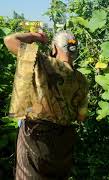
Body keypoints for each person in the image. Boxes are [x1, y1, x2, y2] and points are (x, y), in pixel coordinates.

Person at [4, 30, 89, 180]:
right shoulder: (82, 80)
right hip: (63, 142)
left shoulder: (42, 62)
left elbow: (9, 40)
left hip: (36, 137)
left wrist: (35, 36)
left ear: (55, 49)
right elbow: (81, 117)